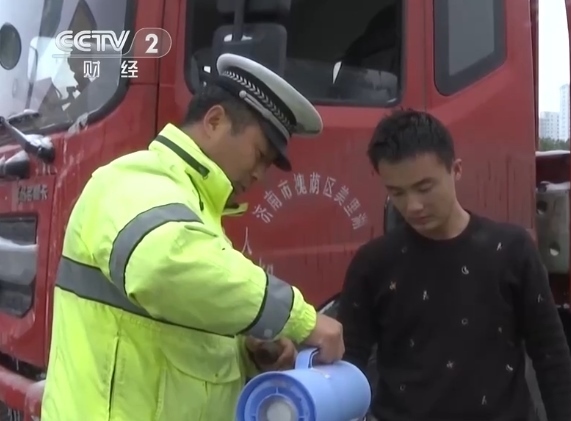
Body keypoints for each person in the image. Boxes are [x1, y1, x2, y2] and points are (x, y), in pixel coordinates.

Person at [41, 53, 345, 421]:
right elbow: (164, 267)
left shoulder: (194, 207)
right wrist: (301, 319)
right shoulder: (134, 181)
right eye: (259, 154)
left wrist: (247, 348)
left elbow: (179, 328)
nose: (259, 175)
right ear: (214, 121)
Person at [338, 110, 571, 421]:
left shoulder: (511, 250)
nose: (413, 206)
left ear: (456, 170)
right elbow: (347, 366)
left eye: (425, 188)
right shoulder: (373, 263)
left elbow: (550, 355)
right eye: (397, 193)